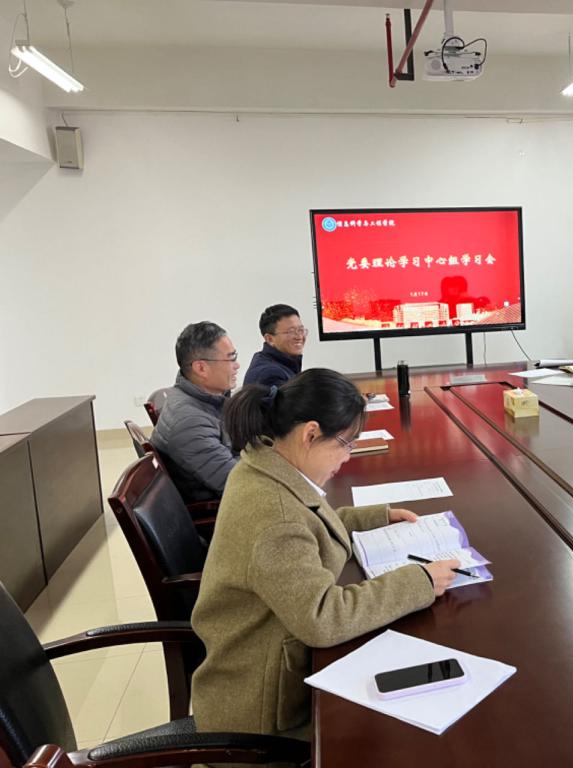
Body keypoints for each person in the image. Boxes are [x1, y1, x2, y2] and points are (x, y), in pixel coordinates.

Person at [190, 368, 459, 739]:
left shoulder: (264, 463)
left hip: (270, 665)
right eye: (346, 444)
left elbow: (309, 522)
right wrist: (420, 581)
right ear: (310, 434)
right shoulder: (275, 517)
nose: (348, 457)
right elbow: (323, 618)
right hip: (263, 715)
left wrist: (375, 517)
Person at [150, 321, 239, 504]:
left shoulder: (204, 399)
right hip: (217, 510)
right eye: (231, 359)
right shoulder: (189, 422)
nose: (237, 365)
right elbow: (237, 483)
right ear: (201, 368)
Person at [243, 303, 307, 388]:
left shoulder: (283, 363)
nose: (299, 337)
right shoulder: (270, 375)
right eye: (291, 332)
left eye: (301, 330)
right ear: (270, 339)